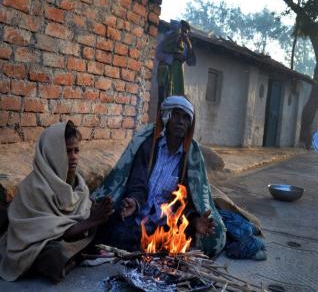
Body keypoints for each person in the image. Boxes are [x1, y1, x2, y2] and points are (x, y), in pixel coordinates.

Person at [93, 96, 226, 257]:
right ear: (166, 116)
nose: (181, 121)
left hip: (165, 225)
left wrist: (195, 220)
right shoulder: (148, 147)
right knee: (111, 229)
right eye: (176, 115)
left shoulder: (190, 159)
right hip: (138, 217)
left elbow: (190, 201)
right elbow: (137, 184)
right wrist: (134, 202)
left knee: (183, 242)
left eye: (185, 117)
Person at [0, 121, 113, 283]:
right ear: (52, 153)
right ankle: (73, 260)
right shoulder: (34, 187)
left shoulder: (78, 183)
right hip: (33, 244)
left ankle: (76, 257)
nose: (74, 157)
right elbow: (48, 230)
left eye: (76, 151)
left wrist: (100, 213)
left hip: (69, 236)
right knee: (53, 255)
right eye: (67, 152)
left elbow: (80, 211)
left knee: (110, 227)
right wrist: (91, 221)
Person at [156, 20, 196, 104]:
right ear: (178, 29)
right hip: (165, 76)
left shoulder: (185, 45)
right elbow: (158, 54)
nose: (184, 34)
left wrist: (189, 45)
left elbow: (191, 62)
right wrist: (173, 57)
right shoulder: (167, 38)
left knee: (176, 102)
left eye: (186, 33)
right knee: (163, 102)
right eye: (183, 31)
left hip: (177, 78)